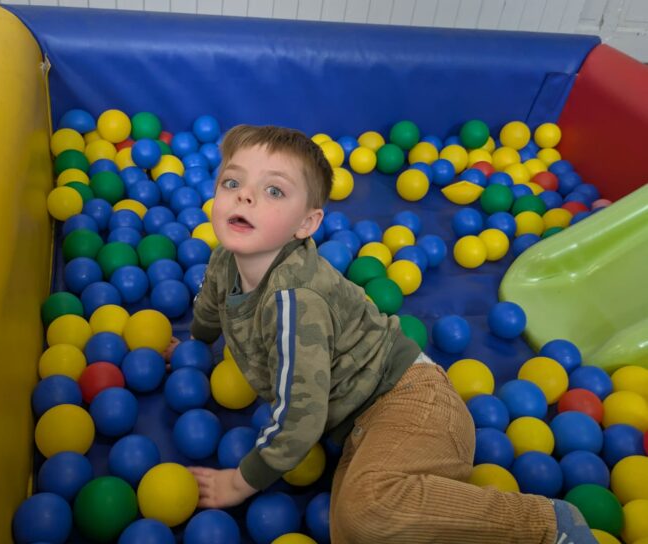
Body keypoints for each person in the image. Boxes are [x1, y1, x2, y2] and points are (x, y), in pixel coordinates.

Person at [167, 124, 597, 544]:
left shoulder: (295, 302)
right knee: (351, 529)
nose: (244, 195)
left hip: (411, 402)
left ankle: (545, 523)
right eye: (232, 182)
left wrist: (240, 482)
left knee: (370, 512)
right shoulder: (225, 260)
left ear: (306, 223)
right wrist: (193, 345)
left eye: (274, 190)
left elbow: (301, 414)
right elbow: (211, 306)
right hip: (360, 426)